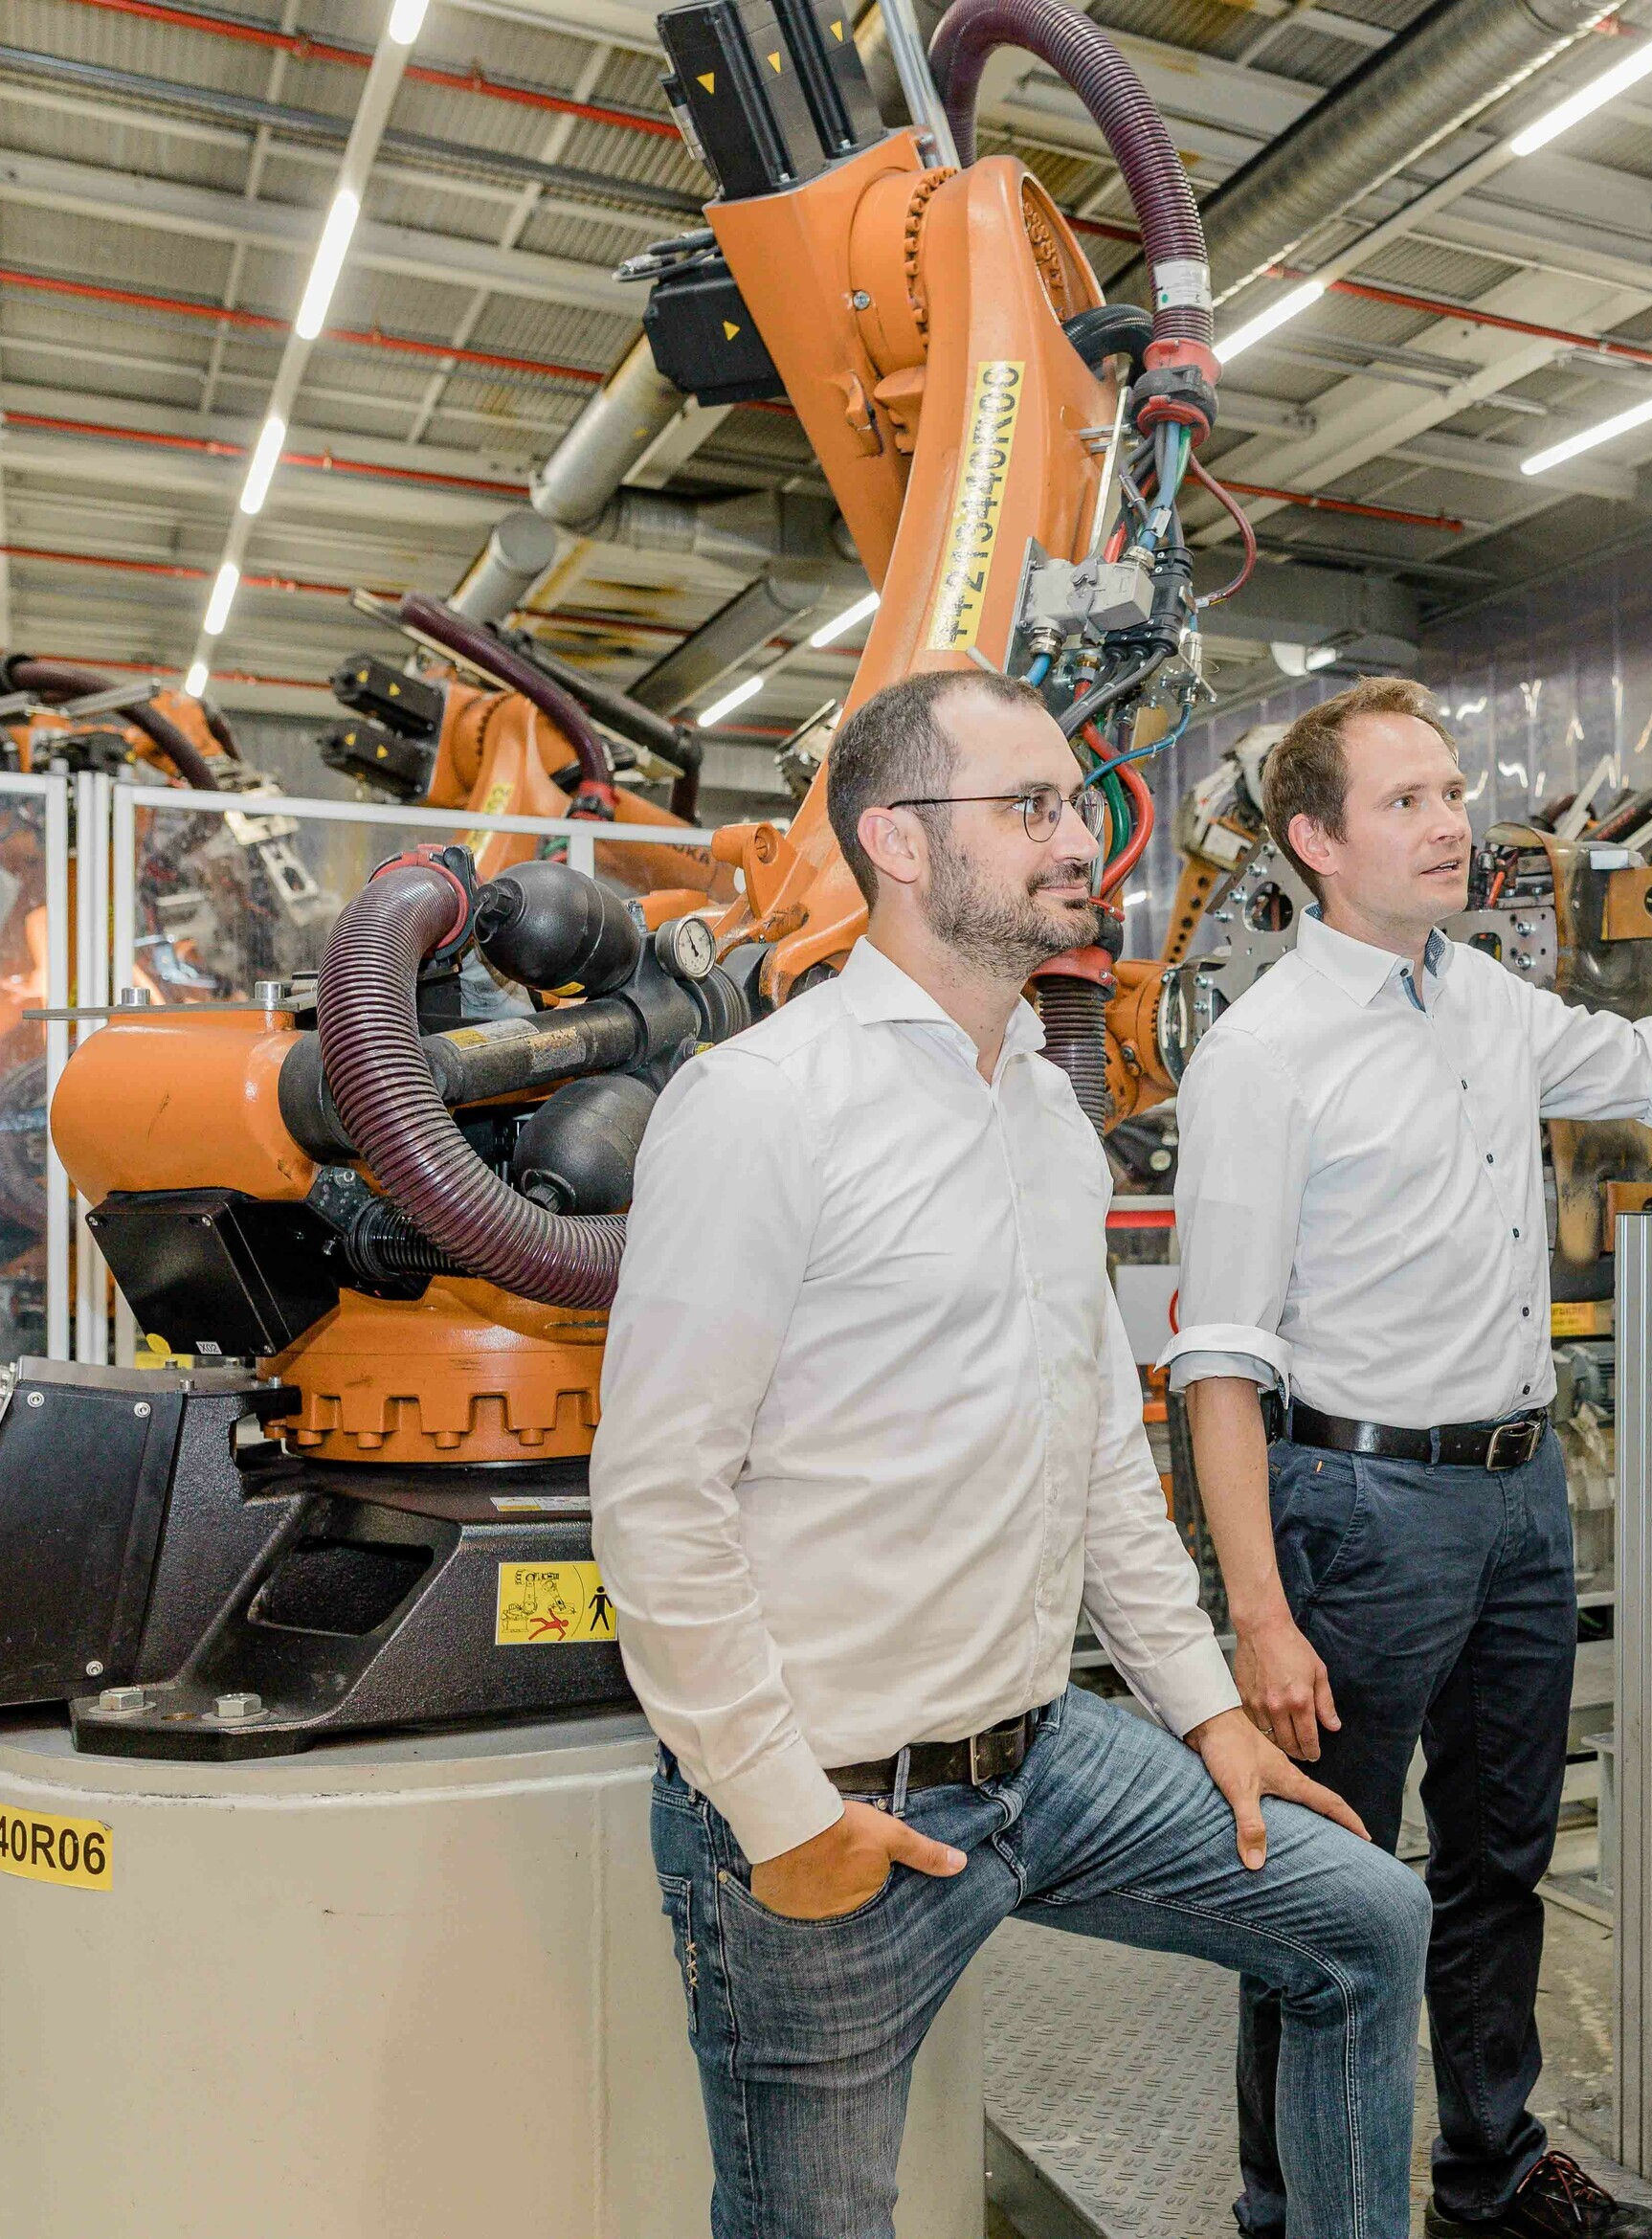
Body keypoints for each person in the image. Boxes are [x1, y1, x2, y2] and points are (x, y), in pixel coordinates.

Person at [592, 668, 1431, 2239]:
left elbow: (1100, 1454)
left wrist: (1206, 1714)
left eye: (1079, 803)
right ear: (900, 842)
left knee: (1367, 1922)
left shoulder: (1045, 1117)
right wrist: (781, 1814)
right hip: (844, 1800)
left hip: (1047, 1759)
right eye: (1031, 806)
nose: (1082, 840)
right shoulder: (763, 1106)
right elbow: (656, 1497)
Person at [1169, 678, 1652, 2239]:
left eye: (1453, 792)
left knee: (1499, 1861)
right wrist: (1257, 1613)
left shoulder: (1488, 1002)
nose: (1453, 823)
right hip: (1357, 1509)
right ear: (1315, 842)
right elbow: (1220, 1361)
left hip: (1515, 1500)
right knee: (1320, 1885)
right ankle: (1285, 2208)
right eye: (1406, 802)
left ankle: (1489, 2174)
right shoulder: (1263, 1054)